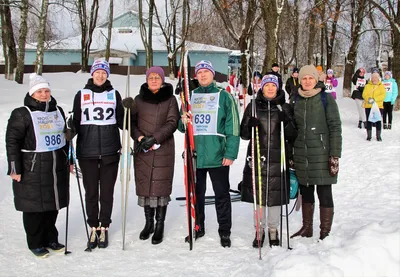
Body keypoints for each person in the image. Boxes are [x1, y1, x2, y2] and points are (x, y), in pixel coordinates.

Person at [6, 73, 70, 258]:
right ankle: (35, 242)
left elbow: (63, 137)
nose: (44, 94)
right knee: (34, 207)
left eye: (46, 90)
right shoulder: (22, 113)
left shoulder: (57, 110)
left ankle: (51, 238)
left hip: (56, 165)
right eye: (39, 91)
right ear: (32, 94)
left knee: (52, 205)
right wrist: (14, 168)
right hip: (32, 167)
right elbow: (12, 141)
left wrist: (70, 159)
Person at [179, 60, 240, 248]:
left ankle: (225, 231)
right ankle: (198, 227)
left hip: (217, 155)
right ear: (195, 76)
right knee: (196, 194)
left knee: (221, 194)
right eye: (199, 72)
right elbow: (183, 128)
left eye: (206, 71)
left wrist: (230, 153)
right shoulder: (190, 97)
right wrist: (183, 120)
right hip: (195, 155)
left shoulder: (224, 96)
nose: (203, 75)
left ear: (213, 74)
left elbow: (233, 127)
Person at [69, 59, 125, 249]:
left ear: (107, 75)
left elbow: (121, 121)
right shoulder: (81, 94)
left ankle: (105, 226)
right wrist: (70, 131)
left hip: (110, 151)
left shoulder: (114, 94)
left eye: (104, 72)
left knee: (107, 193)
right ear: (92, 73)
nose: (100, 75)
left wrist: (128, 112)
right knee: (91, 192)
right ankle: (93, 226)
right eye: (97, 72)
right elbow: (76, 120)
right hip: (87, 151)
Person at [123, 66, 179, 245]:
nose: (154, 80)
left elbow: (172, 122)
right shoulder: (139, 100)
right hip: (143, 149)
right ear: (146, 80)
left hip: (163, 148)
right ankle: (148, 223)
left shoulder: (170, 99)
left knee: (160, 187)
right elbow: (129, 123)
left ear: (162, 80)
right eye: (150, 77)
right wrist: (140, 137)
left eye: (157, 77)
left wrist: (155, 138)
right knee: (145, 185)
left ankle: (159, 225)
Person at [240, 74, 297, 248]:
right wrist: (250, 123)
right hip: (259, 156)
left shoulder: (285, 107)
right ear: (262, 88)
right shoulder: (254, 106)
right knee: (259, 196)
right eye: (267, 85)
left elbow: (292, 134)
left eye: (273, 85)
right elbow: (243, 134)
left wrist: (286, 122)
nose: (270, 88)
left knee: (275, 196)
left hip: (278, 158)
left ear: (278, 87)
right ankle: (260, 230)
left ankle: (273, 229)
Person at [289, 65, 342, 241]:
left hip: (322, 152)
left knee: (324, 192)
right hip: (302, 153)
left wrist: (335, 155)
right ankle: (307, 228)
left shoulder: (326, 99)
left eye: (310, 78)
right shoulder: (295, 100)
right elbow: (291, 129)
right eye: (304, 78)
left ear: (316, 79)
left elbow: (335, 127)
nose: (307, 81)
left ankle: (325, 231)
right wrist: (291, 154)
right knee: (306, 191)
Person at [362, 72, 386, 141]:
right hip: (369, 105)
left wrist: (375, 99)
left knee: (378, 120)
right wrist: (369, 99)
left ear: (378, 78)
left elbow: (383, 95)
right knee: (369, 120)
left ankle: (378, 136)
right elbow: (364, 94)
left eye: (375, 77)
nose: (374, 79)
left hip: (378, 106)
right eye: (373, 77)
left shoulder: (381, 86)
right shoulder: (367, 86)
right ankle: (369, 136)